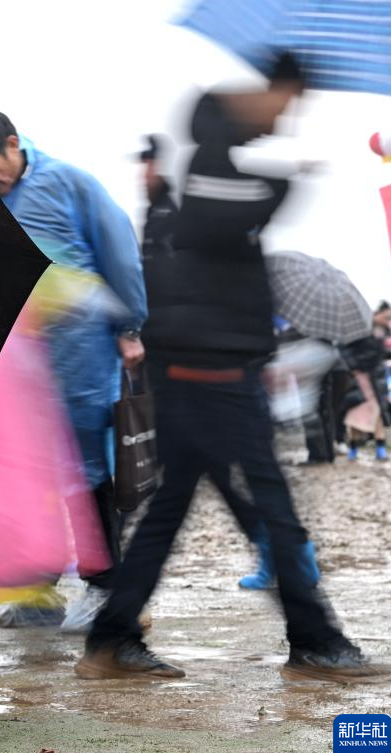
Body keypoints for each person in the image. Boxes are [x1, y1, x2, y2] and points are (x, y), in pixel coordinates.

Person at [78, 54, 391, 683]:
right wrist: (288, 179)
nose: (287, 116)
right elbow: (235, 211)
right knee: (273, 513)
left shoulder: (209, 168)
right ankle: (315, 640)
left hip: (210, 372)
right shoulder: (206, 169)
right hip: (211, 378)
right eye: (288, 101)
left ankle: (112, 637)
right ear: (271, 90)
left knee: (171, 513)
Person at [0, 109, 147, 630]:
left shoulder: (68, 183)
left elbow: (118, 250)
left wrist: (131, 325)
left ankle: (105, 589)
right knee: (32, 474)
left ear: (12, 144)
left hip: (82, 352)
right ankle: (37, 595)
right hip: (22, 364)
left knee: (87, 472)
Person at [137, 136, 319, 592]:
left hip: (217, 368)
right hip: (187, 371)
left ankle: (291, 556)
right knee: (219, 476)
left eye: (151, 163)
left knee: (241, 474)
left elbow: (221, 292)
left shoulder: (187, 219)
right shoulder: (158, 219)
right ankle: (282, 555)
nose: (145, 173)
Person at [341, 302, 391, 461]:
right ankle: (353, 448)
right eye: (386, 318)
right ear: (378, 313)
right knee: (355, 413)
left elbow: (384, 353)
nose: (387, 322)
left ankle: (380, 448)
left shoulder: (382, 333)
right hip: (358, 379)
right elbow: (346, 351)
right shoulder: (360, 330)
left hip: (375, 381)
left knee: (377, 412)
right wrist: (354, 366)